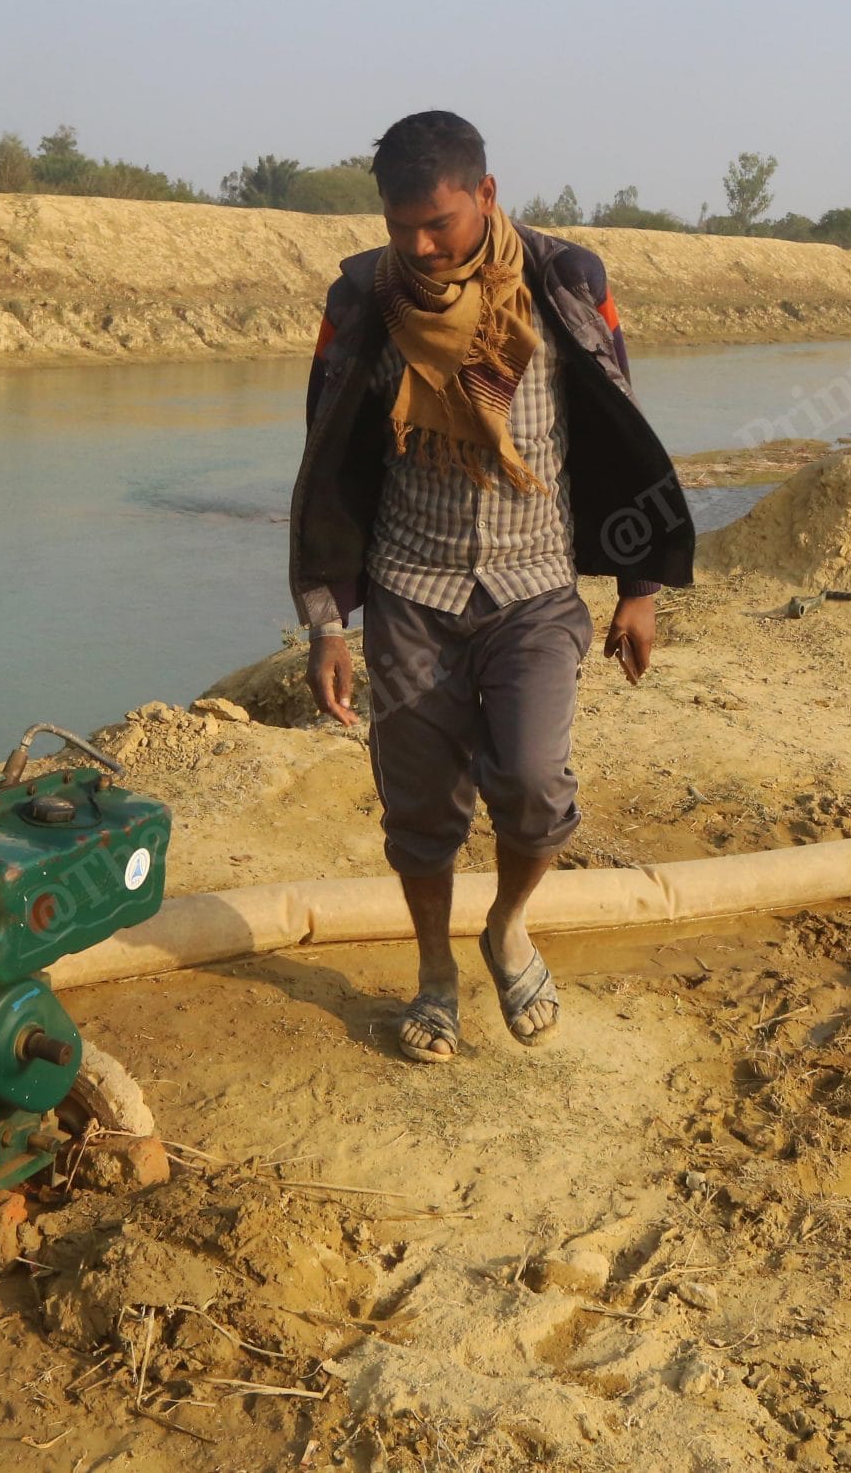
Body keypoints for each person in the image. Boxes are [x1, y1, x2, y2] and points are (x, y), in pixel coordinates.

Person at [287, 111, 694, 1064]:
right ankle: (435, 975)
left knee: (536, 786)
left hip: (537, 587)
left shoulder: (568, 282)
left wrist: (639, 583)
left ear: (487, 196)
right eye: (400, 227)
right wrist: (324, 622)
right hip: (408, 594)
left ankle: (508, 926)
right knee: (420, 814)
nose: (421, 248)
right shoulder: (360, 300)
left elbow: (619, 425)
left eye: (439, 223)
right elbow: (326, 461)